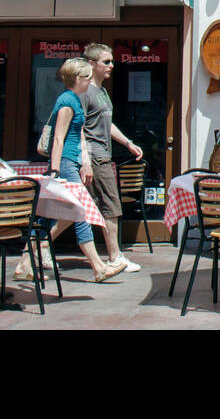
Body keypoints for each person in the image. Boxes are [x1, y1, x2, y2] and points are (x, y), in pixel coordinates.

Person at [42, 58, 127, 283]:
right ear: (78, 79)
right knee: (82, 212)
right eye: (88, 77)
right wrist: (55, 169)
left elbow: (78, 135)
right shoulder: (68, 101)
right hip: (66, 162)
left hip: (74, 161)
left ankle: (30, 256)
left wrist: (84, 161)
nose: (90, 81)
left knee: (74, 212)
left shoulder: (76, 100)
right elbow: (59, 138)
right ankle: (98, 267)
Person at [80, 43, 145, 272]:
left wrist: (127, 143)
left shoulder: (102, 92)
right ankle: (115, 256)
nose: (111, 65)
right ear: (91, 64)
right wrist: (85, 160)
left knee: (78, 207)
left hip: (101, 155)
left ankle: (38, 250)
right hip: (95, 157)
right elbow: (78, 127)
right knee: (111, 206)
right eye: (106, 62)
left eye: (111, 61)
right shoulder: (85, 91)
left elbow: (106, 125)